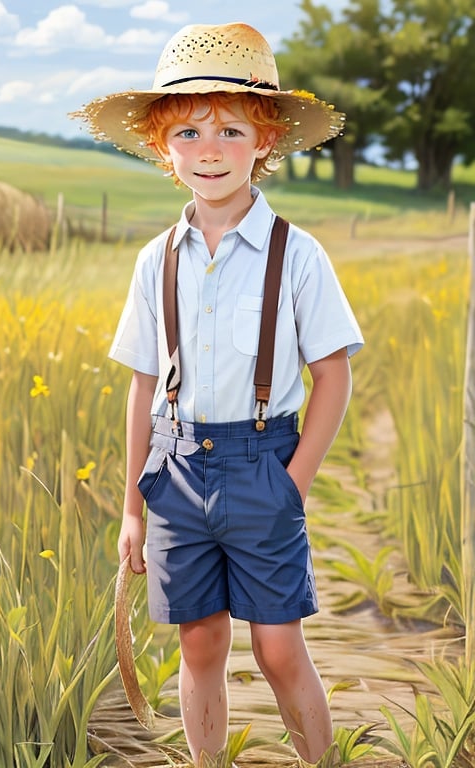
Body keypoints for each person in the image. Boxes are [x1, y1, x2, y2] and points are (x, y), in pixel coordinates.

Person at [72, 21, 364, 768]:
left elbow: (333, 375)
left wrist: (292, 486)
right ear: (164, 148)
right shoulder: (154, 261)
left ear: (265, 142)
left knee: (276, 646)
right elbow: (143, 384)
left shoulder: (296, 255)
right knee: (199, 640)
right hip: (173, 470)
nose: (210, 149)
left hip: (263, 463)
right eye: (190, 132)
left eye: (232, 130)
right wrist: (132, 509)